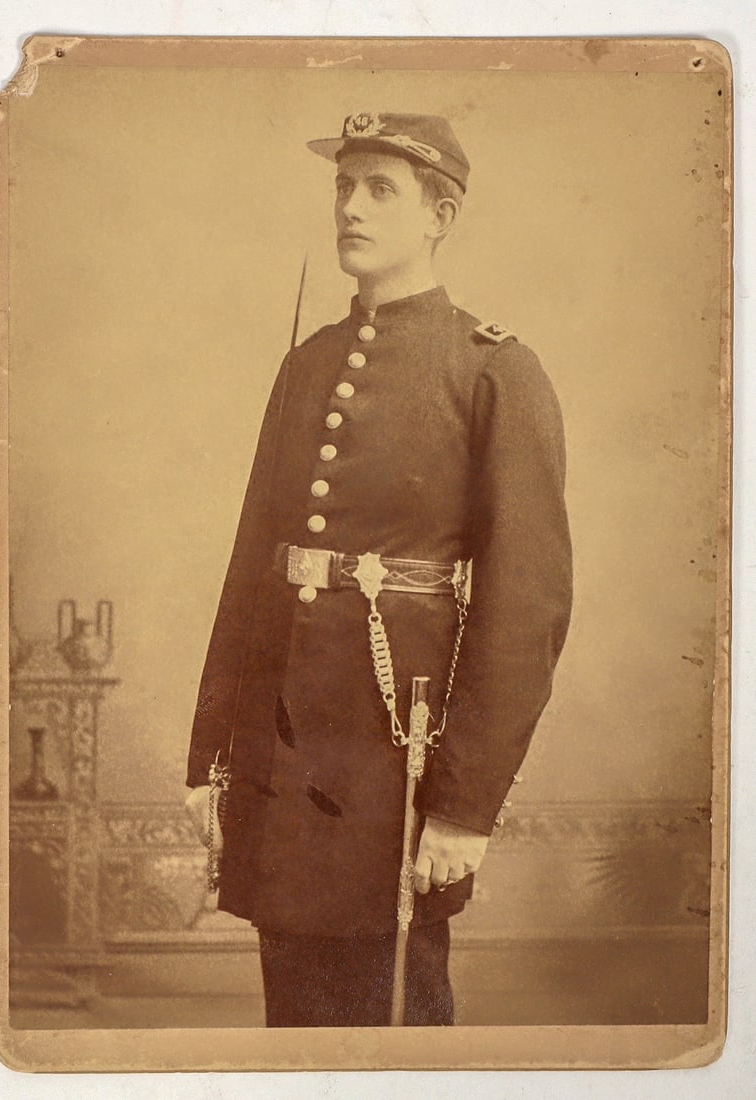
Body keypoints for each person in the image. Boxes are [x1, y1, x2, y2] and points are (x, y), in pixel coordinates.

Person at [185, 111, 573, 1027]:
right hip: (283, 752)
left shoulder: (494, 373)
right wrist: (211, 755)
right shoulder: (308, 363)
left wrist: (464, 809)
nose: (350, 207)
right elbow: (252, 569)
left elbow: (527, 608)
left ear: (441, 214)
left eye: (379, 189)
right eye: (342, 187)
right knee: (294, 1011)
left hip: (396, 754)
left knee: (393, 1009)